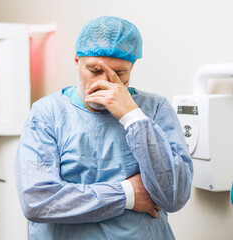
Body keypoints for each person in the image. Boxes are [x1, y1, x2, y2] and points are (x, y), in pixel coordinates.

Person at [15, 16, 193, 240]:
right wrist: (127, 194)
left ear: (132, 68)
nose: (106, 81)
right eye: (94, 70)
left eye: (119, 74)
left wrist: (133, 116)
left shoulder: (154, 109)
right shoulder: (47, 113)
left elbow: (174, 197)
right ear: (76, 62)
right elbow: (37, 201)